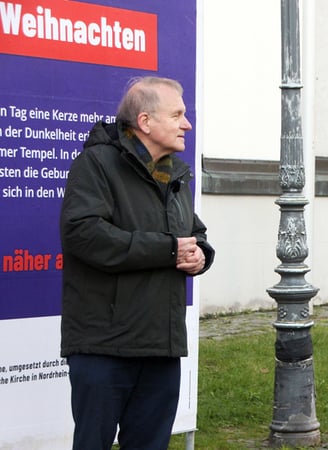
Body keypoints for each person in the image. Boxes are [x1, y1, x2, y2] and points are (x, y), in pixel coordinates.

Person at [60, 76, 215, 450]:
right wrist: (167, 250)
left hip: (160, 346)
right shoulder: (96, 164)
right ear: (145, 122)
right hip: (104, 347)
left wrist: (200, 255)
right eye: (177, 114)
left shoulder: (175, 174)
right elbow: (83, 234)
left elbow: (193, 233)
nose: (186, 124)